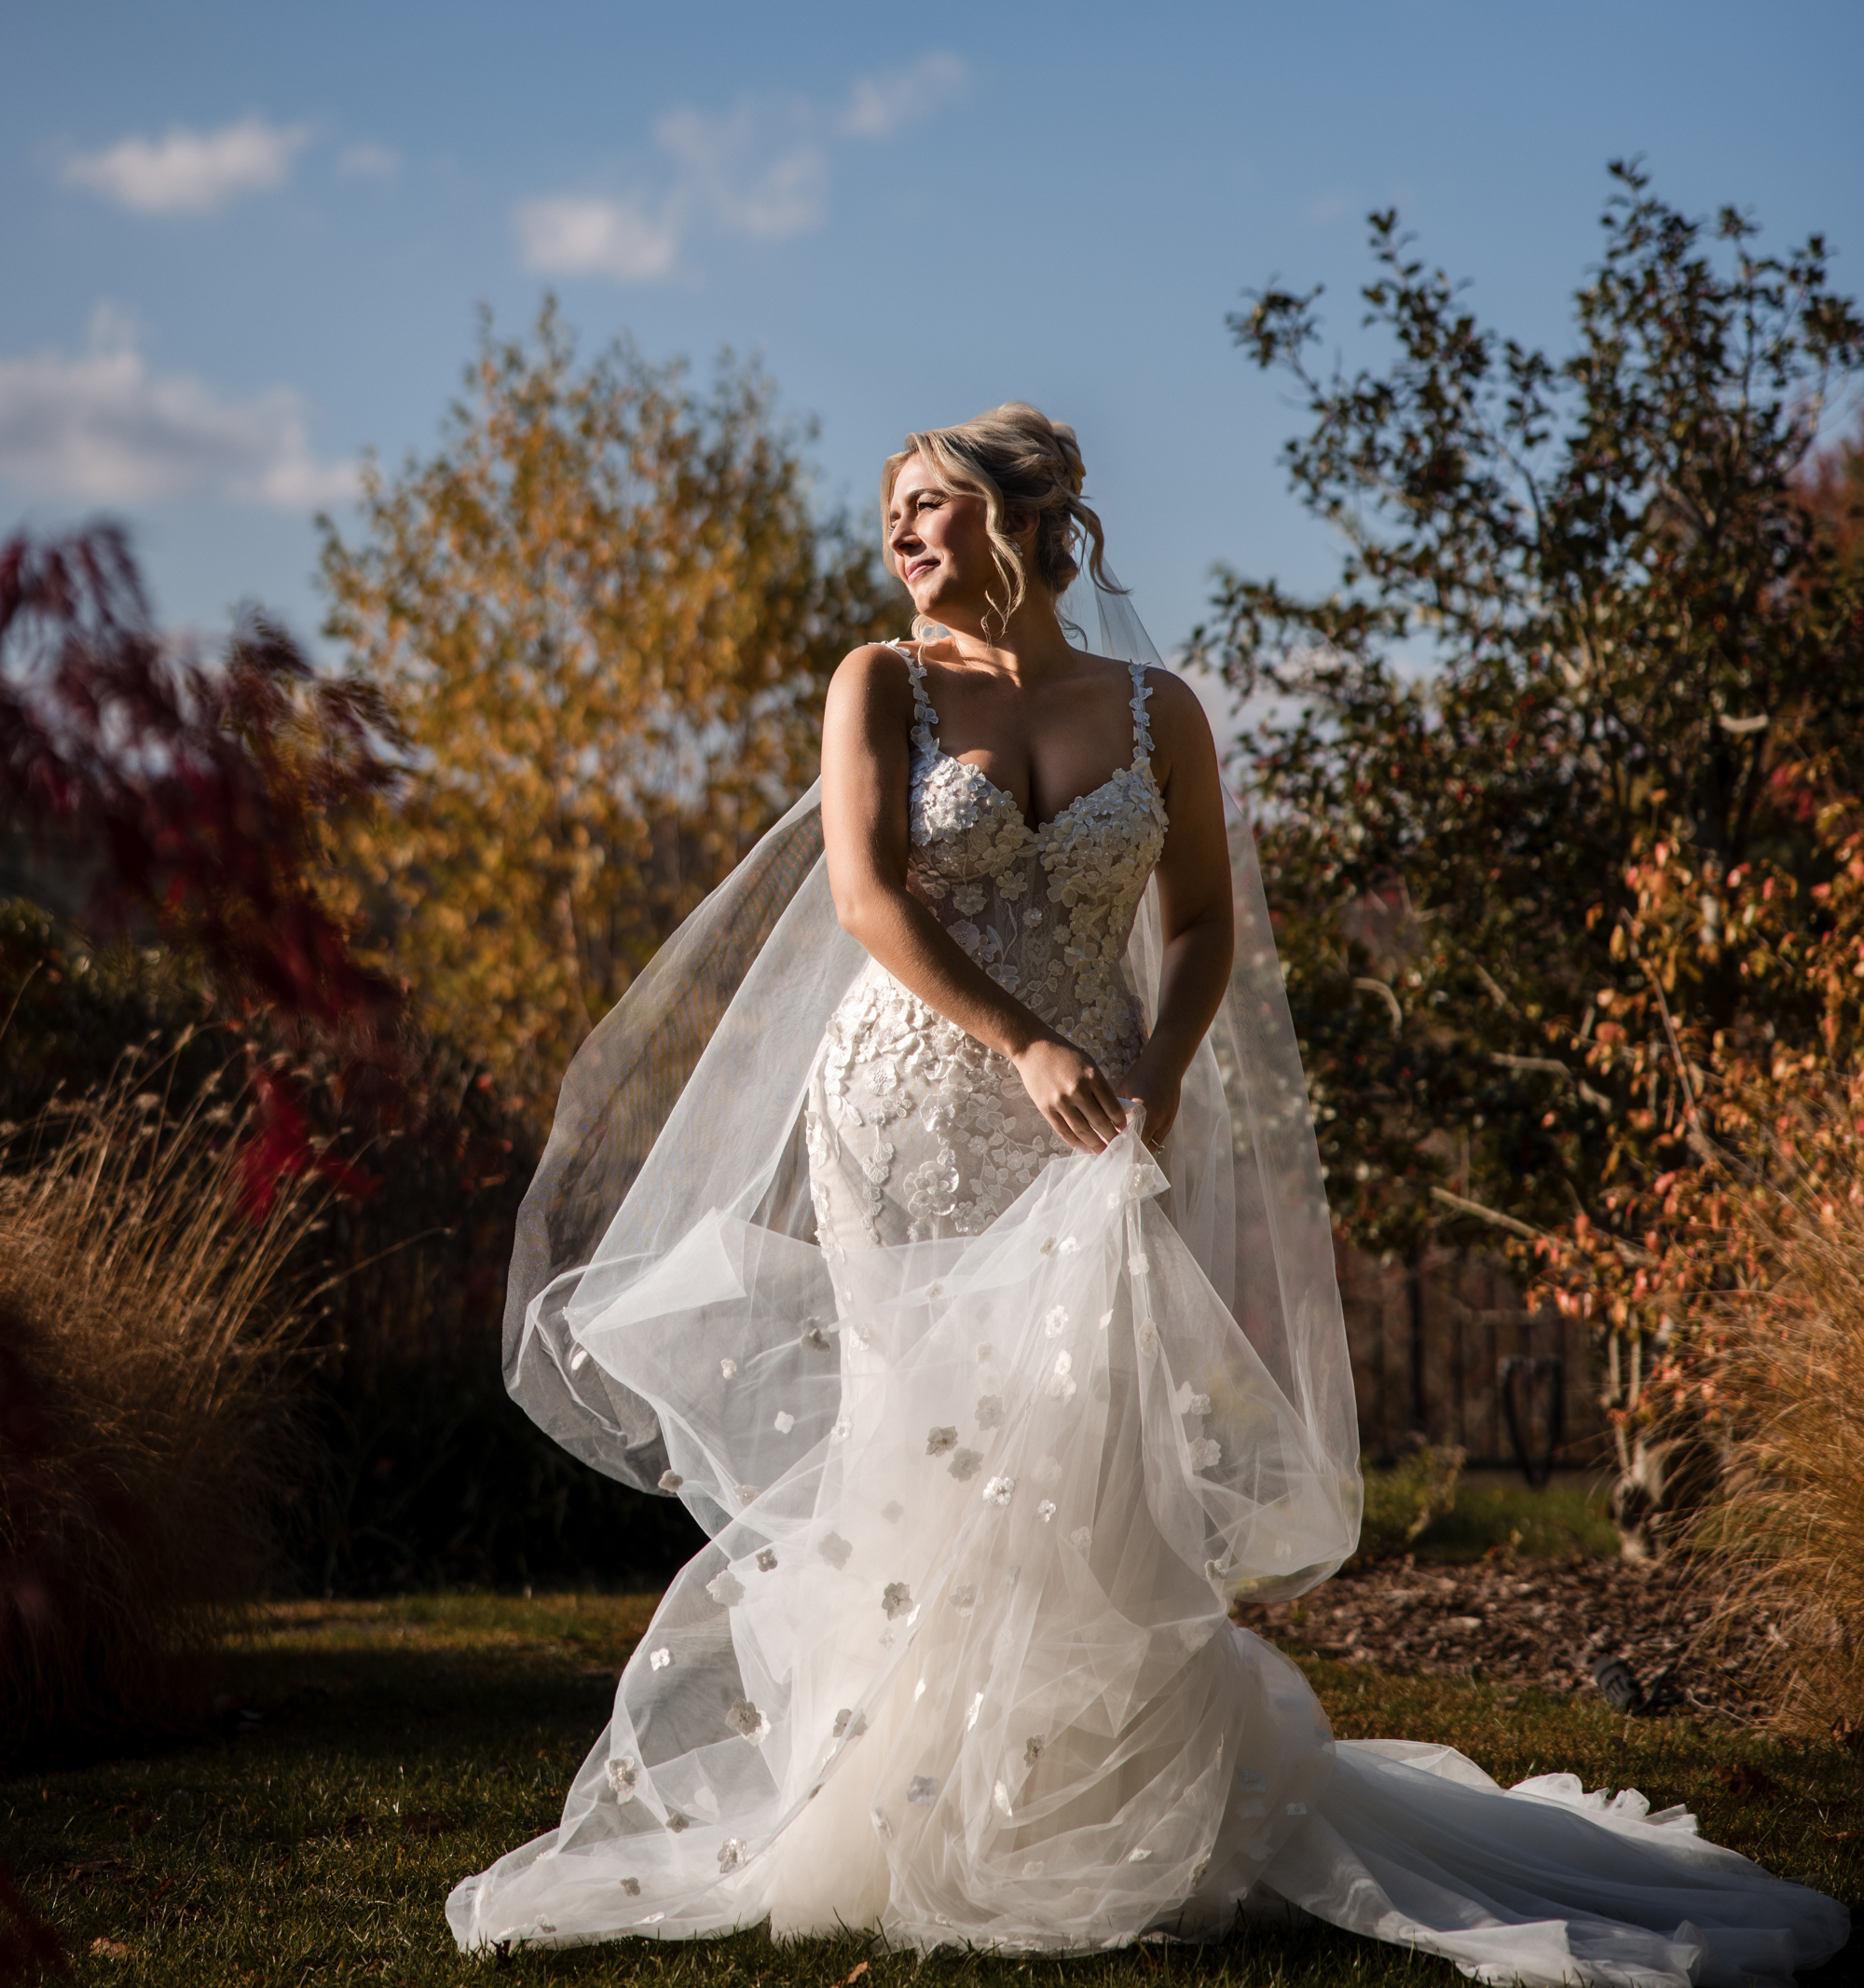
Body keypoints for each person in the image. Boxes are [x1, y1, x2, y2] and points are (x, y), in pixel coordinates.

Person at [449, 406, 1847, 1985]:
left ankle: (1096, 1795)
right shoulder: (879, 685)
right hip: (905, 1110)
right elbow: (867, 894)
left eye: (935, 507)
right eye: (894, 512)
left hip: (1098, 1118)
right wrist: (1025, 1035)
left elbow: (1196, 927)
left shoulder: (1155, 708)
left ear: (1031, 522)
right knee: (926, 1441)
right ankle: (907, 1807)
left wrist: (1160, 1071)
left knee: (1091, 1441)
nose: (904, 535)